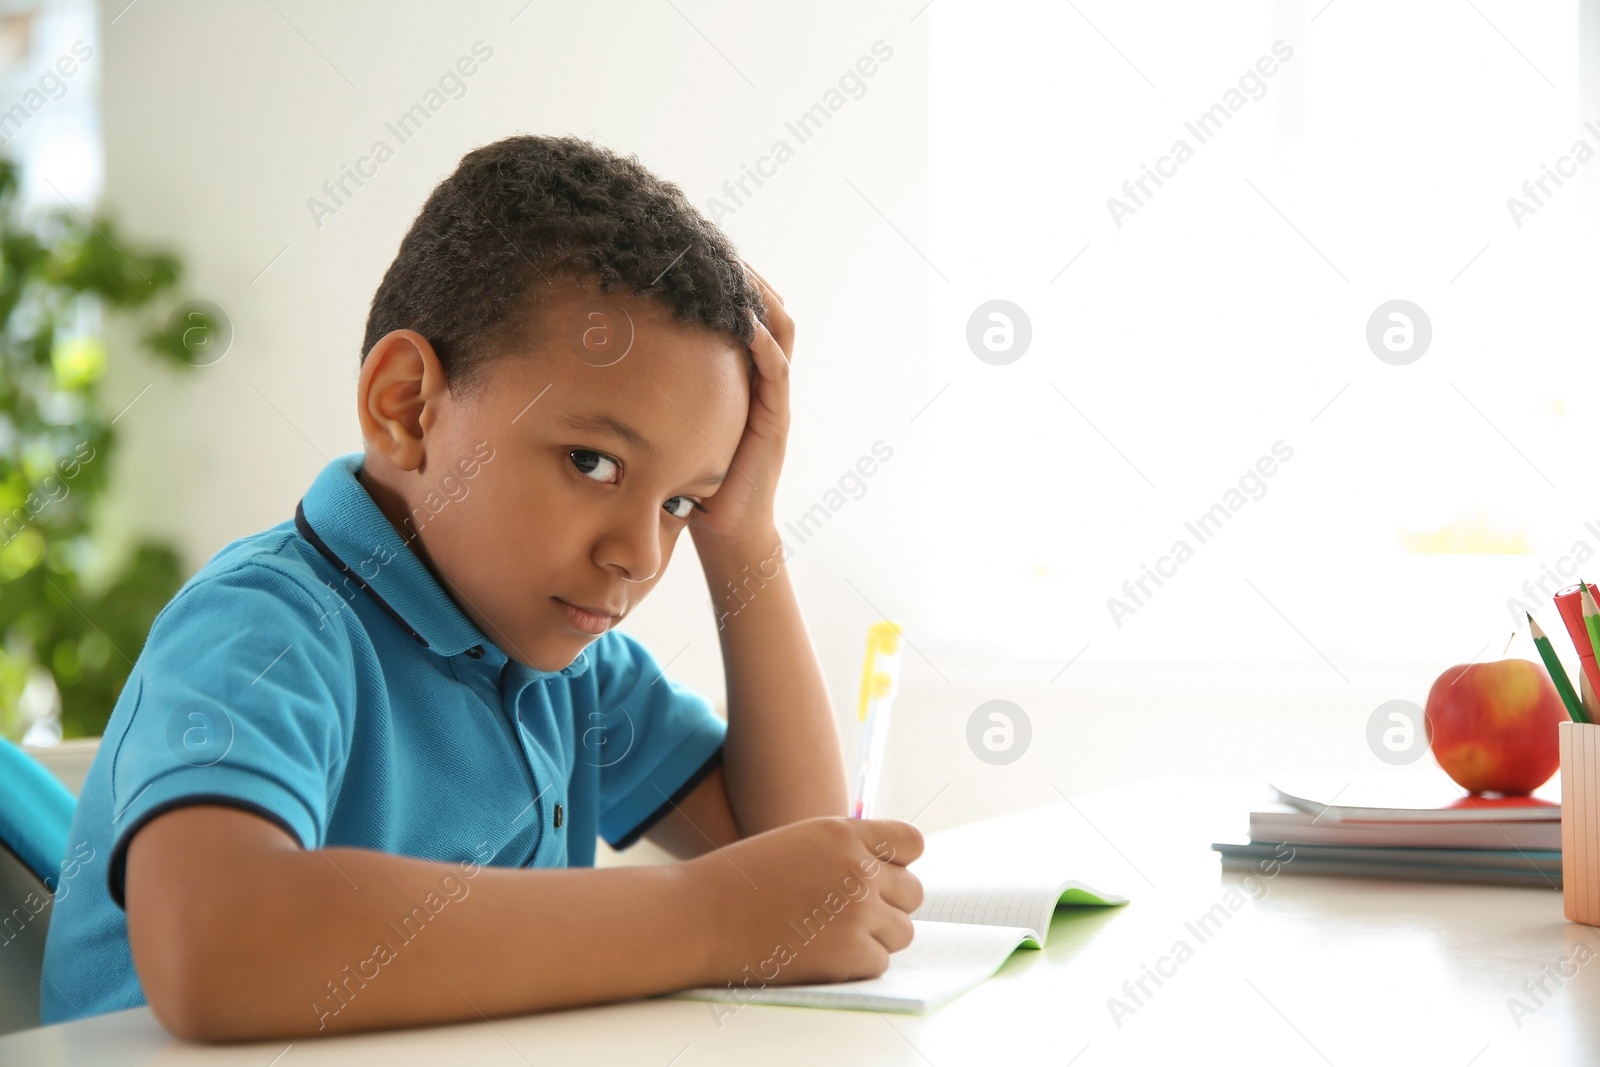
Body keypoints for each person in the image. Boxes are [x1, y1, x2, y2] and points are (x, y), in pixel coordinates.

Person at [39, 134, 924, 1042]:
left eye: (681, 502)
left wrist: (742, 533)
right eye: (594, 461)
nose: (642, 555)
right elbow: (219, 943)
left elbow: (798, 879)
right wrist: (707, 914)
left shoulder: (576, 672)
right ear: (407, 404)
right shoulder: (268, 628)